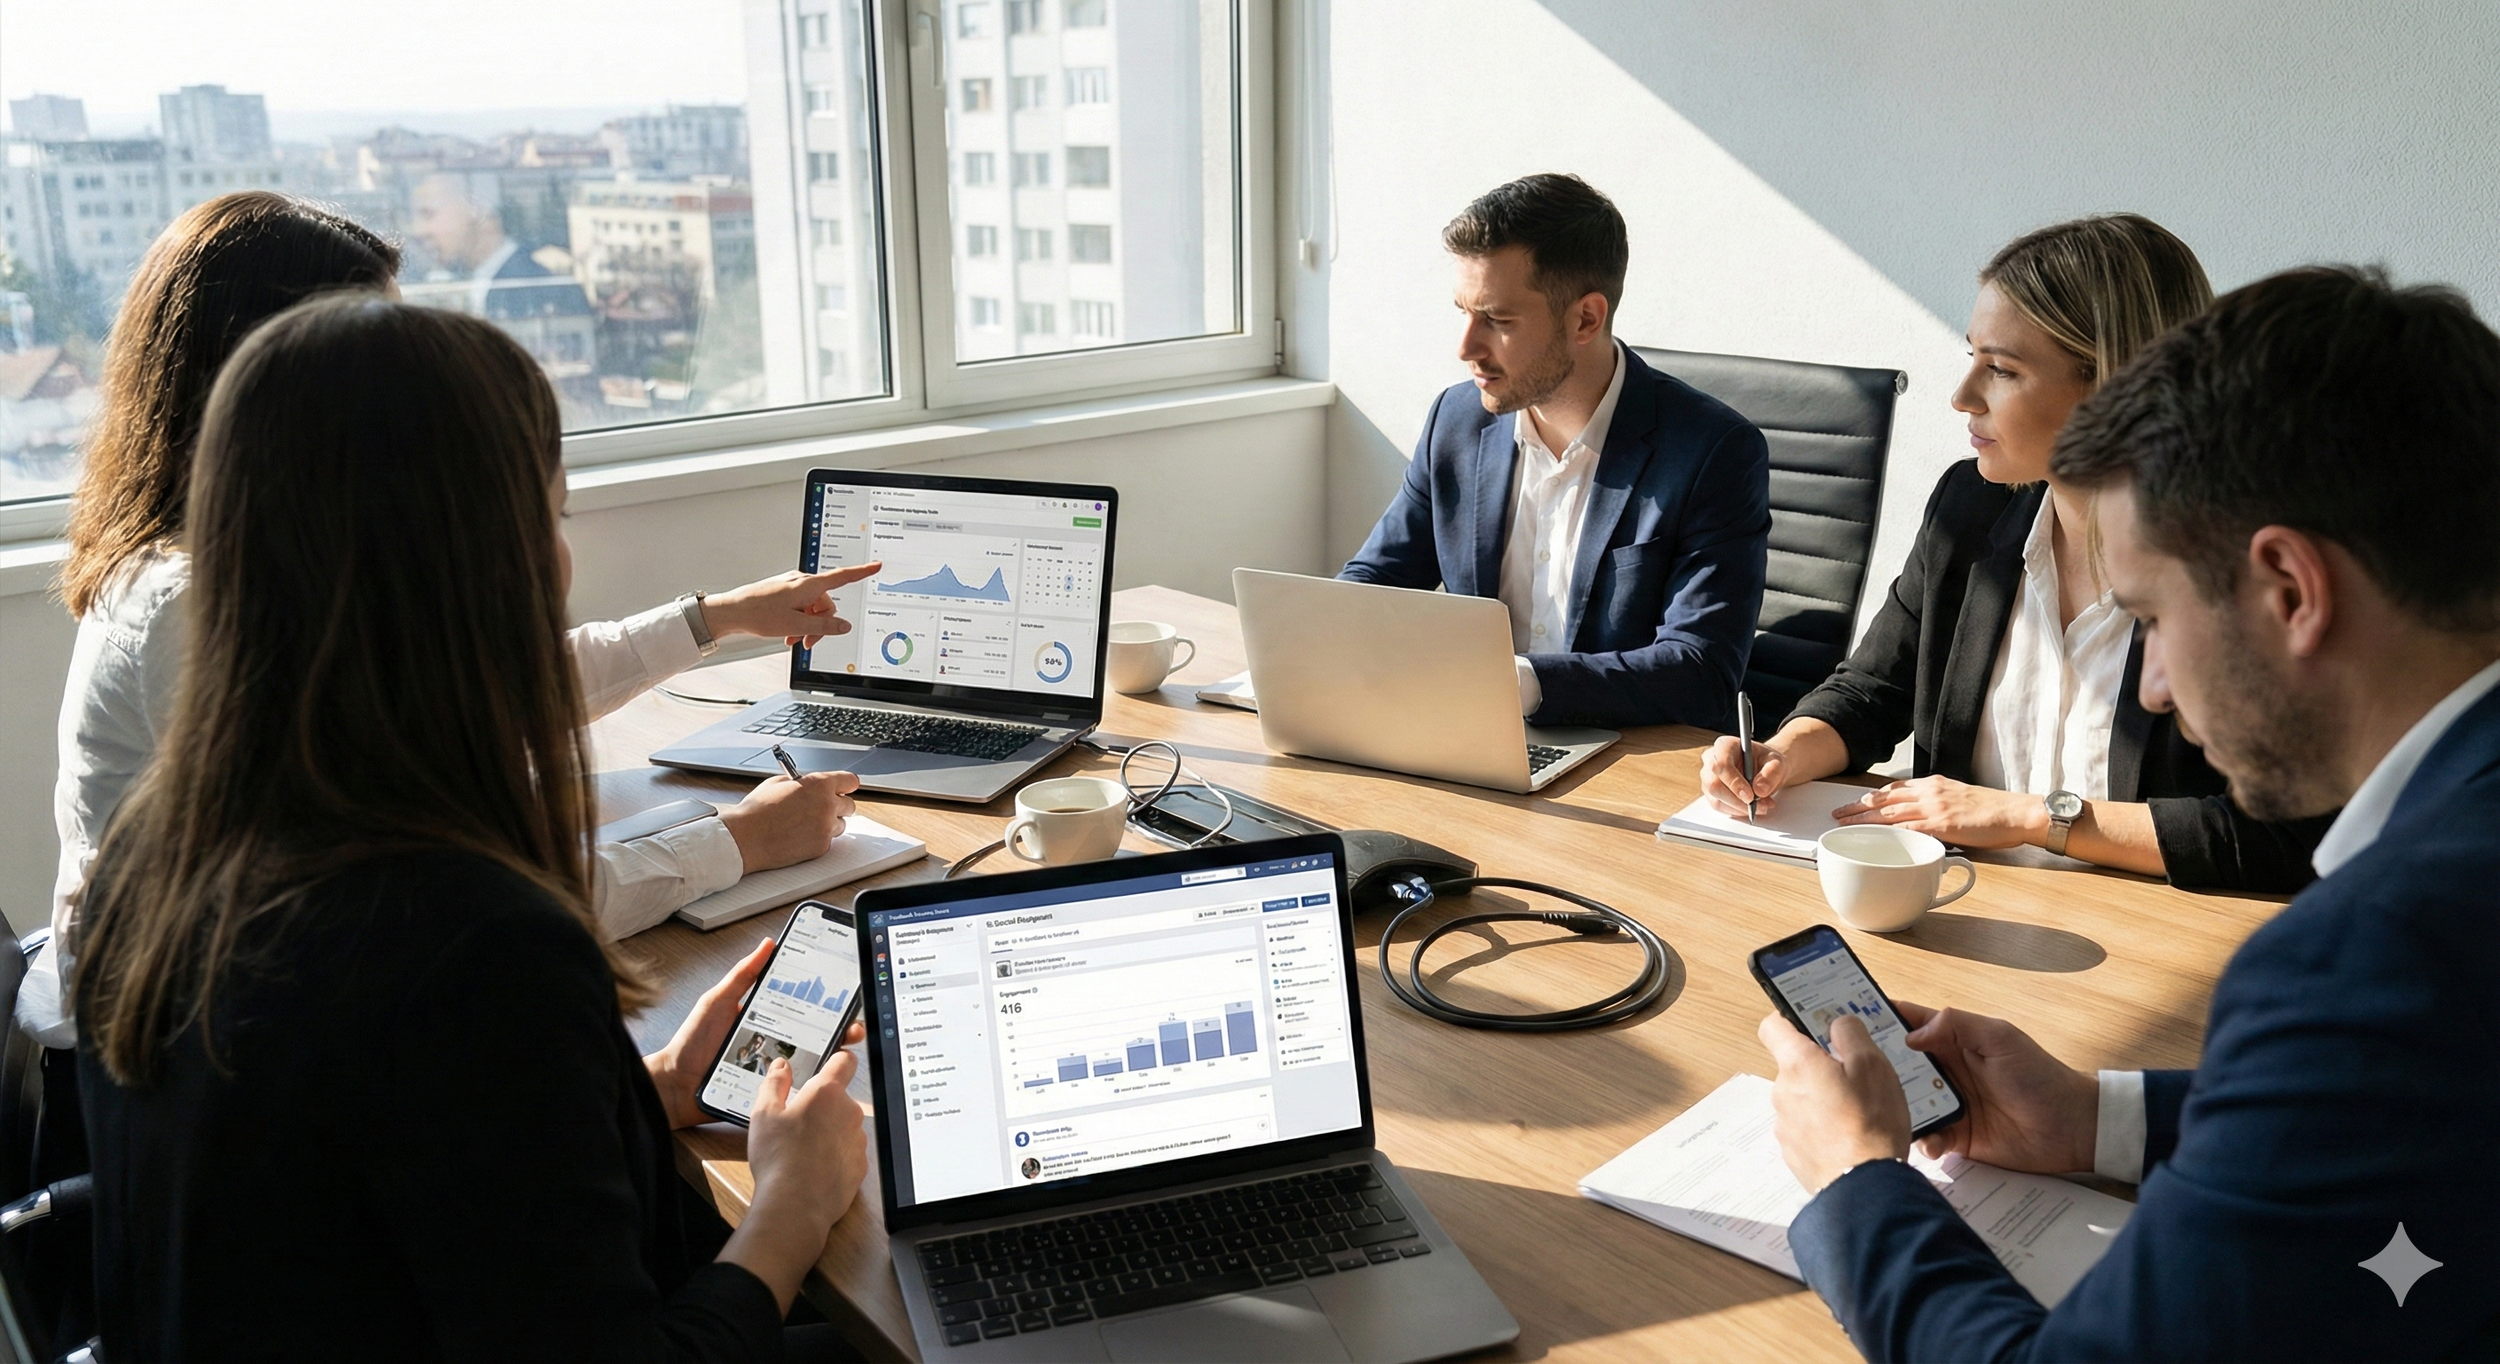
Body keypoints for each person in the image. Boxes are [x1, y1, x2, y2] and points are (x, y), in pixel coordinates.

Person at [75, 294, 870, 1358]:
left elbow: (378, 1180)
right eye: (554, 515)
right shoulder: (473, 948)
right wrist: (792, 1205)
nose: (562, 558)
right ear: (487, 561)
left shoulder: (150, 848)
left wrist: (644, 1097)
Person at [1759, 266, 2500, 1358]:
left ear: (2292, 590)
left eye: (2152, 616)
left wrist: (1857, 1180)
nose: (2151, 687)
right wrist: (2093, 1118)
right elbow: (2406, 1112)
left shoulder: (2371, 956)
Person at [36, 192, 867, 1053]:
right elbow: (423, 920)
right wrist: (737, 844)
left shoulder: (282, 555)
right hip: (181, 1053)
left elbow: (482, 689)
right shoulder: (200, 608)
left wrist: (713, 619)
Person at [1700, 214, 2332, 891]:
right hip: (1961, 902)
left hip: (2144, 932)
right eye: (1972, 356)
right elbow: (1873, 691)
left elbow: (2287, 836)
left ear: (2117, 389)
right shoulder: (1970, 508)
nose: (1962, 397)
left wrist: (2034, 818)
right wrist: (1783, 752)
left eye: (2001, 369)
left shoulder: (2245, 568)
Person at [1339, 173, 1771, 732]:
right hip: (1466, 735)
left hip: (1618, 757)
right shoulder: (1456, 420)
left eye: (1497, 320)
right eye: (1463, 312)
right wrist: (1315, 643)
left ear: (1586, 318)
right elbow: (1378, 580)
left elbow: (1701, 671)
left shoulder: (1713, 452)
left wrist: (1514, 682)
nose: (1465, 347)